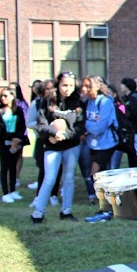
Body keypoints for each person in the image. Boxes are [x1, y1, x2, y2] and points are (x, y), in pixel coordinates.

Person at [31, 71, 85, 223]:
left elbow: (81, 127)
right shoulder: (47, 102)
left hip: (71, 146)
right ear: (58, 85)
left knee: (69, 179)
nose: (67, 88)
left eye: (71, 85)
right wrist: (54, 133)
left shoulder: (78, 102)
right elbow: (41, 126)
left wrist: (65, 135)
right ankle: (38, 213)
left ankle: (66, 211)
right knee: (49, 179)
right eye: (64, 85)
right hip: (52, 147)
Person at [80, 75, 118, 186]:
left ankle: (101, 198)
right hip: (91, 143)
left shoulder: (105, 102)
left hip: (106, 143)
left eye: (88, 86)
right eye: (83, 86)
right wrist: (92, 123)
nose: (84, 89)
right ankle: (94, 197)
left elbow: (98, 128)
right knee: (96, 172)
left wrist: (86, 123)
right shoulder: (86, 102)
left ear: (97, 86)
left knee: (95, 173)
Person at [0, 87, 27, 202]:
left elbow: (22, 125)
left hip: (16, 141)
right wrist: (10, 139)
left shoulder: (18, 110)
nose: (3, 98)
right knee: (4, 166)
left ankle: (13, 190)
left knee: (13, 166)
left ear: (12, 96)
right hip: (3, 142)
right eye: (1, 96)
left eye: (5, 96)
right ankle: (5, 193)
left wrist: (17, 138)